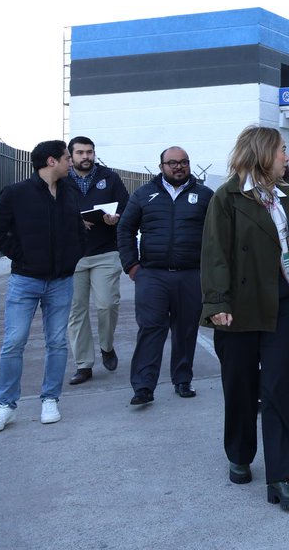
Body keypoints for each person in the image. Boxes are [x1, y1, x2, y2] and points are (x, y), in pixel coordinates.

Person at [201, 126, 289, 512]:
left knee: (277, 386)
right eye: (282, 151)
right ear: (262, 153)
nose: (287, 157)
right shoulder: (226, 197)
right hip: (238, 308)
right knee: (240, 385)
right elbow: (214, 254)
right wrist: (217, 303)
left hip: (283, 304)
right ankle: (240, 452)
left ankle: (282, 477)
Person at [0, 140, 85, 432]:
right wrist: (25, 256)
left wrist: (73, 255)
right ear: (51, 161)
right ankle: (6, 406)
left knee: (57, 342)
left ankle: (50, 399)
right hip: (25, 281)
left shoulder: (70, 191)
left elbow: (78, 230)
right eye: (67, 157)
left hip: (62, 281)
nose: (71, 162)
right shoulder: (16, 193)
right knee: (14, 342)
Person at [117, 146, 213, 407]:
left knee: (185, 330)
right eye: (172, 163)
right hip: (152, 275)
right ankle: (144, 386)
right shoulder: (143, 195)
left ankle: (182, 380)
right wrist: (132, 266)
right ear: (161, 167)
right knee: (151, 328)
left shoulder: (205, 196)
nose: (178, 167)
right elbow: (125, 229)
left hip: (190, 275)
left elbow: (216, 234)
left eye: (183, 162)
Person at [66, 136, 130, 385]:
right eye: (80, 153)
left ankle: (106, 345)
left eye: (89, 152)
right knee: (77, 311)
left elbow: (127, 207)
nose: (86, 157)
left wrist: (117, 217)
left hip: (105, 251)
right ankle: (83, 365)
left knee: (107, 304)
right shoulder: (61, 180)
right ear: (70, 156)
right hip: (72, 257)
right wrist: (75, 222)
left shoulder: (109, 177)